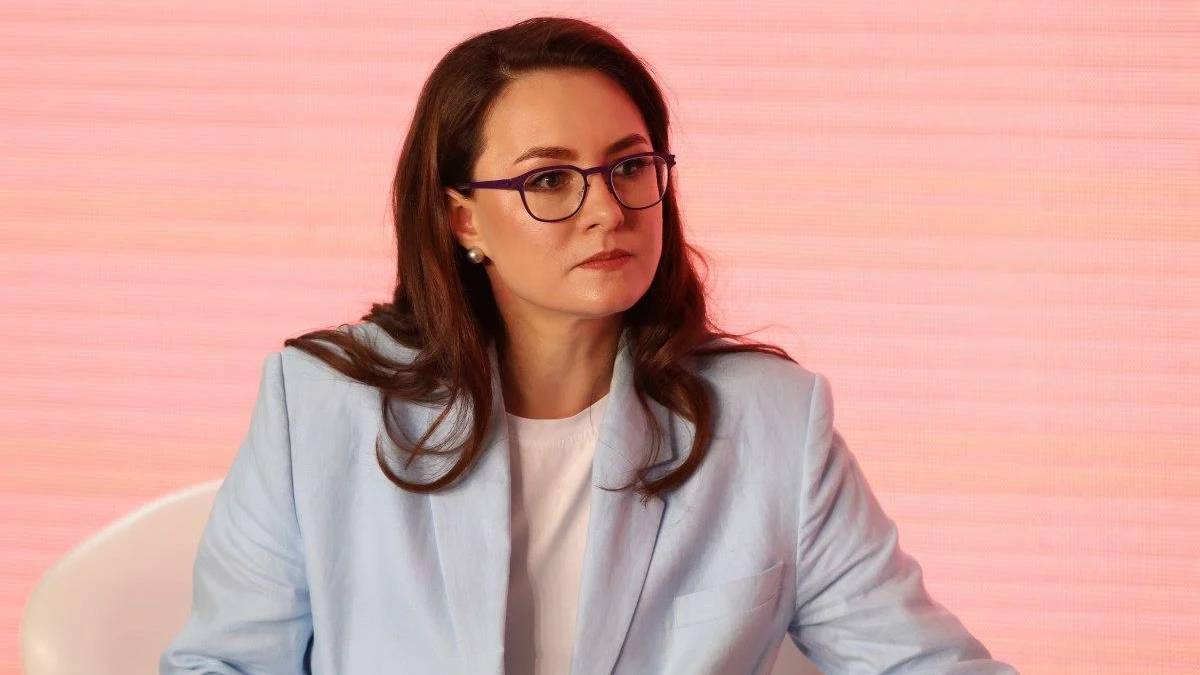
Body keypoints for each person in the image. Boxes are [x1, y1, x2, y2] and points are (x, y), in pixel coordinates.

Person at [160, 16, 1018, 675]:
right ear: (463, 218)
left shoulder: (773, 425)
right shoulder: (317, 404)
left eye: (629, 166)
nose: (606, 208)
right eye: (548, 180)